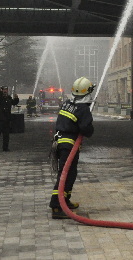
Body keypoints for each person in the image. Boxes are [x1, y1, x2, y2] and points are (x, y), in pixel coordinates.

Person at [49, 76, 95, 219]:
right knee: (65, 175)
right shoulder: (83, 109)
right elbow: (86, 130)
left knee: (70, 173)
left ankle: (65, 201)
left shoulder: (67, 103)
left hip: (60, 142)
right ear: (87, 92)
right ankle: (56, 206)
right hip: (68, 145)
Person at [0, 86, 18, 152]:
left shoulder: (8, 98)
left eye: (6, 90)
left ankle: (5, 147)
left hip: (7, 118)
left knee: (6, 134)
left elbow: (13, 103)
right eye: (4, 90)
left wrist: (16, 98)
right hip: (0, 118)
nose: (5, 91)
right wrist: (1, 93)